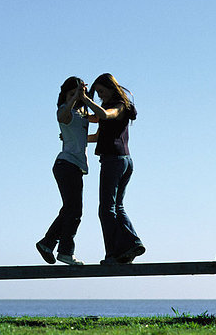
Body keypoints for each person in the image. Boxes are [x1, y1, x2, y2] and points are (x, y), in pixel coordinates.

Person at [80, 73, 145, 264]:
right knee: (116, 207)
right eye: (98, 93)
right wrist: (75, 137)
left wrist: (84, 99)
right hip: (123, 161)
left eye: (102, 91)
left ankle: (114, 253)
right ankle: (130, 246)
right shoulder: (110, 107)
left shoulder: (119, 106)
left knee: (106, 210)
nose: (101, 96)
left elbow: (104, 115)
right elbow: (97, 130)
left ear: (111, 88)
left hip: (114, 161)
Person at [36, 77, 96, 265]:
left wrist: (84, 98)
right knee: (75, 210)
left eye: (78, 93)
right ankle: (65, 251)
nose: (76, 97)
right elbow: (61, 117)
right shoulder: (65, 111)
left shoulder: (82, 114)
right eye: (71, 94)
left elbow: (98, 121)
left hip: (76, 167)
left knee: (70, 209)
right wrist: (73, 98)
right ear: (65, 95)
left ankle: (47, 243)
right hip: (66, 164)